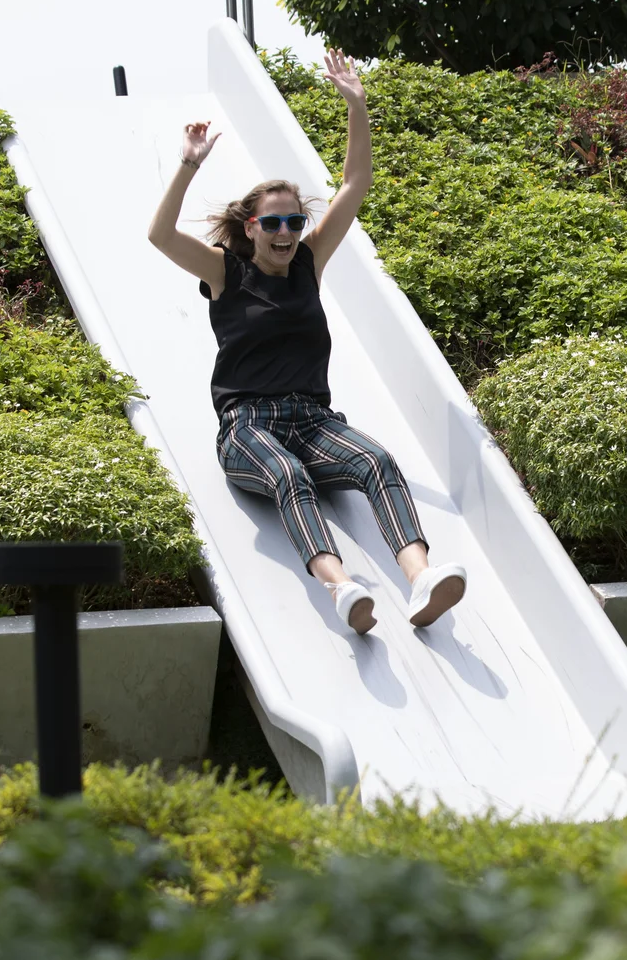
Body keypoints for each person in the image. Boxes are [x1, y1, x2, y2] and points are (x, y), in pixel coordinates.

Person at [145, 49, 466, 635]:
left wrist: (356, 105)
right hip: (249, 427)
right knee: (289, 476)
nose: (286, 232)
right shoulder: (225, 273)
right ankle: (342, 589)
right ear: (251, 228)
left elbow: (356, 182)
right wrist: (189, 165)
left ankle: (420, 578)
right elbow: (159, 234)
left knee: (377, 459)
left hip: (314, 419)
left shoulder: (308, 265)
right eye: (272, 223)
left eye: (293, 222)